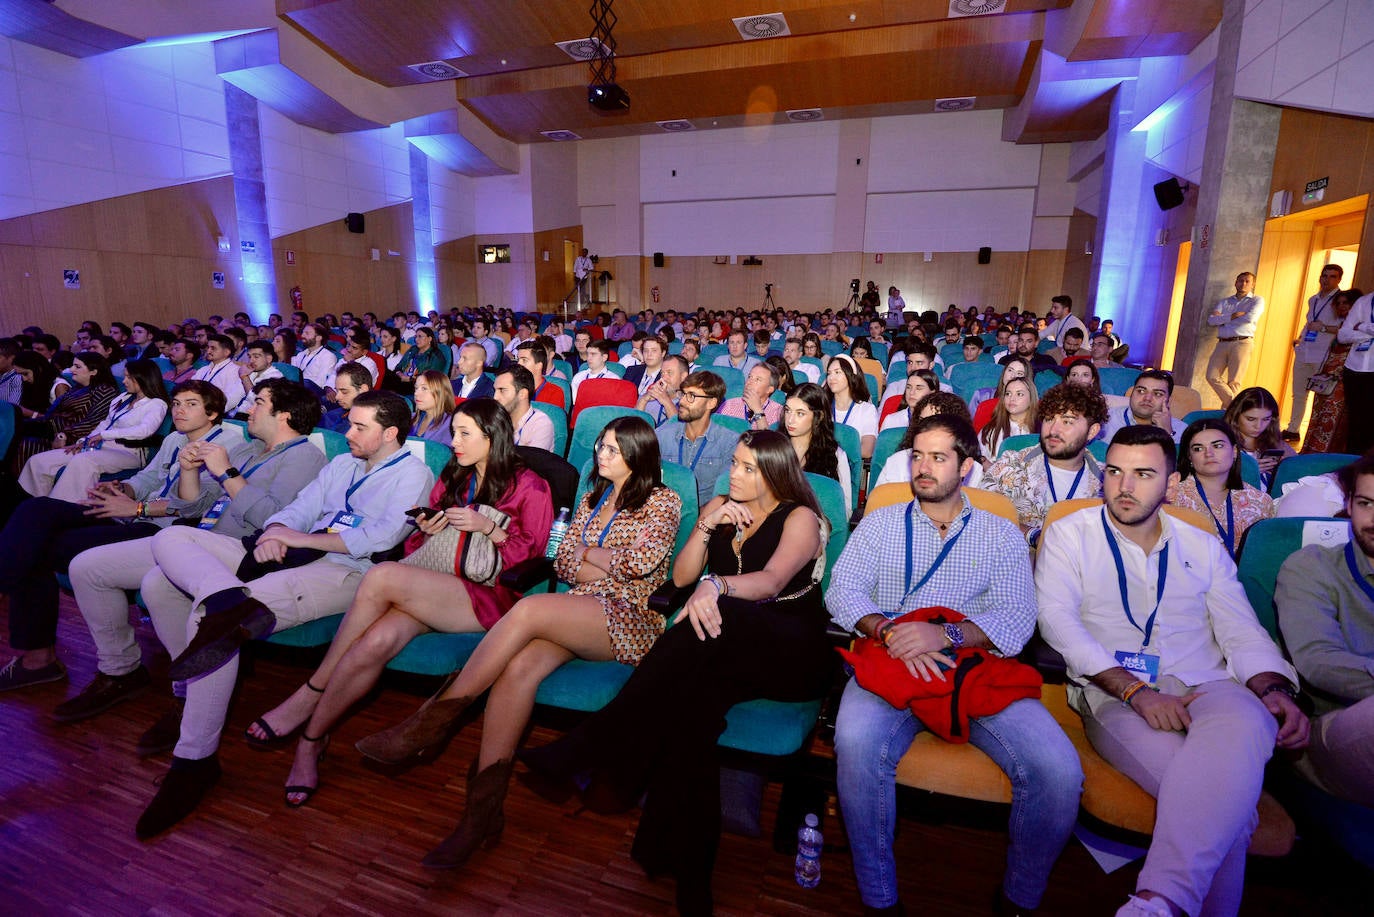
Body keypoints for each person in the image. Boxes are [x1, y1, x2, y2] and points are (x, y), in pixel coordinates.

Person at [520, 430, 829, 914]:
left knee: (717, 613)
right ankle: (691, 875)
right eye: (735, 462)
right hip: (725, 652)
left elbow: (770, 584)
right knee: (691, 721)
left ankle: (593, 741)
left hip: (791, 649)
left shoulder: (800, 516)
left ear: (775, 472)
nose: (736, 473)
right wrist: (707, 528)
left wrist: (716, 586)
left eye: (750, 467)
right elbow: (682, 579)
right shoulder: (721, 508)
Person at [128, 390, 434, 838]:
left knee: (208, 620)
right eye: (349, 423)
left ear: (390, 434)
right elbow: (302, 507)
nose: (346, 433)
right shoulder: (344, 463)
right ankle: (223, 601)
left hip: (345, 571)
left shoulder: (413, 474)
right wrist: (276, 529)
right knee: (167, 550)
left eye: (359, 427)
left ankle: (194, 761)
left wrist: (299, 539)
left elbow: (380, 537)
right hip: (289, 552)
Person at [1036, 424, 1307, 917]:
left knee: (1248, 720)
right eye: (1115, 472)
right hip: (1114, 690)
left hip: (1211, 684)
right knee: (1230, 810)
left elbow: (1241, 631)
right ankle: (1166, 902)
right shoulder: (1069, 535)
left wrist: (1272, 688)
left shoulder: (1201, 545)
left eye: (1143, 474)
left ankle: (1156, 901)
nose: (1124, 487)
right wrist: (1137, 692)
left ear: (1171, 481)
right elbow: (1059, 625)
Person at [828, 413, 1081, 915]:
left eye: (939, 457)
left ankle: (1018, 898)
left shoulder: (1000, 533)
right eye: (917, 456)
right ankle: (879, 898)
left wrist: (942, 634)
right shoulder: (880, 522)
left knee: (1058, 771)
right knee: (854, 743)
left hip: (973, 668)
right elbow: (843, 590)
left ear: (966, 467)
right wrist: (891, 630)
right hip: (891, 660)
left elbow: (1015, 616)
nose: (924, 468)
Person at [249, 400, 552, 805]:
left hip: (487, 598)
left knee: (380, 575)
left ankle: (312, 689)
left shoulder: (532, 485)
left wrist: (489, 529)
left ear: (492, 437)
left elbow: (530, 559)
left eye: (465, 434)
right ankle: (311, 740)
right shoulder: (454, 474)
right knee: (373, 643)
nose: (454, 442)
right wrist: (427, 529)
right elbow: (416, 548)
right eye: (454, 432)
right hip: (433, 586)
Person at [58, 380, 325, 735]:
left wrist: (225, 472)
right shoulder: (250, 451)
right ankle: (120, 669)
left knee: (157, 584)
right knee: (87, 568)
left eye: (259, 402)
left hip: (238, 551)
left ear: (284, 416)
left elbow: (269, 519)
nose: (249, 408)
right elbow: (193, 505)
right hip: (197, 540)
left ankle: (189, 692)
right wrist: (188, 470)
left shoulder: (304, 457)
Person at [0, 382, 254, 694]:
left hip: (163, 530)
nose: (179, 410)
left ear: (213, 413)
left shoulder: (232, 445)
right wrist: (123, 489)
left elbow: (202, 503)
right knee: (36, 509)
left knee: (36, 548)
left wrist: (136, 507)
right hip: (132, 513)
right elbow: (149, 477)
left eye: (190, 404)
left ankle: (38, 659)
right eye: (176, 403)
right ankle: (35, 652)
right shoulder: (175, 438)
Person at [1275, 454, 1374, 807]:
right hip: (1329, 728)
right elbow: (1318, 661)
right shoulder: (1312, 566)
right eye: (1366, 504)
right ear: (1349, 505)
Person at [18, 359, 169, 503]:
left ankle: (62, 508)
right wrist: (83, 441)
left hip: (129, 453)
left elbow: (144, 430)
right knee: (39, 461)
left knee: (84, 461)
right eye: (125, 376)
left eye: (129, 377)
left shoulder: (156, 404)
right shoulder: (123, 398)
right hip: (100, 447)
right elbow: (105, 423)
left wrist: (103, 435)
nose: (124, 381)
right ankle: (36, 504)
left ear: (143, 377)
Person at [981, 383, 1107, 543]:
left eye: (1067, 421)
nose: (1053, 430)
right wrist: (1031, 534)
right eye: (1049, 419)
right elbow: (980, 514)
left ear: (1092, 431)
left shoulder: (1106, 483)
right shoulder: (1012, 464)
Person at [1170, 418, 1275, 558]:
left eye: (1217, 446)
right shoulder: (1171, 496)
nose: (1209, 453)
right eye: (1198, 448)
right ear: (1189, 457)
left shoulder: (1261, 501)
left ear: (1235, 451)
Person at [14, 352, 120, 469]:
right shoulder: (79, 387)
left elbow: (93, 422)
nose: (71, 369)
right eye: (73, 365)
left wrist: (64, 435)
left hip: (71, 436)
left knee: (20, 441)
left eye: (77, 367)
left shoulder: (104, 390)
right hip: (51, 428)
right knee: (10, 428)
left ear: (93, 371)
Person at [655, 370, 736, 507]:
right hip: (663, 511)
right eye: (683, 394)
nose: (682, 401)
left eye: (691, 396)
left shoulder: (729, 442)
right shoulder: (662, 435)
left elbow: (724, 496)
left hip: (704, 516)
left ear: (711, 403)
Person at [1286, 264, 1345, 440]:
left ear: (1339, 279)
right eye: (1324, 276)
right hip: (1305, 351)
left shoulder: (1340, 301)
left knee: (1321, 397)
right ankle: (1293, 429)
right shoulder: (1313, 299)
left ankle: (1315, 434)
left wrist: (1324, 328)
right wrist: (1300, 339)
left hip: (1323, 355)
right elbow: (1309, 323)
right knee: (1298, 393)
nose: (1327, 280)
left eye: (1332, 277)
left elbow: (1345, 328)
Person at [779, 382, 851, 518]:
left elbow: (844, 510)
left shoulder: (835, 455)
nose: (790, 420)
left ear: (819, 417)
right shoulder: (775, 448)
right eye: (788, 411)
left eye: (800, 414)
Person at [1301, 288, 1360, 454]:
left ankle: (1323, 456)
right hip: (1327, 378)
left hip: (1343, 380)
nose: (1341, 307)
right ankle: (1310, 453)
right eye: (1338, 303)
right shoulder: (1344, 325)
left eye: (1346, 303)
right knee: (1318, 415)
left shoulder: (1360, 327)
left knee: (1332, 419)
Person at [1206, 272, 1265, 408]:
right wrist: (1233, 316)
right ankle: (1236, 406)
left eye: (1247, 281)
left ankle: (1227, 414)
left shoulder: (1256, 300)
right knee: (1211, 376)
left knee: (1234, 382)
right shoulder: (1225, 302)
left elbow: (1250, 318)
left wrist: (1223, 318)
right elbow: (1211, 320)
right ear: (1235, 282)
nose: (1243, 284)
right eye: (1240, 281)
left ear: (1253, 284)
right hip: (1222, 342)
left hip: (1242, 342)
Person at [1224, 386, 1294, 489]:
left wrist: (1283, 468)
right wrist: (1247, 472)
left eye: (1266, 419)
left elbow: (1299, 467)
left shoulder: (1274, 441)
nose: (1258, 426)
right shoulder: (1221, 443)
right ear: (1235, 415)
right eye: (1251, 419)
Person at [1099, 369, 1188, 444]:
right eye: (1141, 391)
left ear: (1169, 401)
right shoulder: (1105, 419)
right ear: (1132, 393)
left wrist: (1167, 433)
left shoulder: (1182, 431)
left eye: (1157, 394)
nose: (1147, 398)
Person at [1337, 287, 1374, 456]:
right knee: (1355, 421)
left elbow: (1354, 329)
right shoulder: (1363, 301)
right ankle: (1352, 465)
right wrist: (1366, 335)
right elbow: (1342, 335)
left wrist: (1362, 326)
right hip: (1354, 368)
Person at [826, 353, 877, 459]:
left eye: (837, 372)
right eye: (829, 373)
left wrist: (833, 453)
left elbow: (866, 451)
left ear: (851, 376)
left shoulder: (867, 410)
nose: (831, 377)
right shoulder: (822, 406)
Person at [493, 365, 554, 452]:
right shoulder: (494, 418)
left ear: (523, 394)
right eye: (495, 390)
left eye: (502, 390)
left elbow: (533, 462)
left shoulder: (541, 424)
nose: (495, 397)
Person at [978, 375, 1037, 460]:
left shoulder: (1042, 429)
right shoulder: (990, 430)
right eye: (1008, 394)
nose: (1012, 398)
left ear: (1031, 398)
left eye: (1019, 394)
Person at [719, 362, 782, 431]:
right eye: (749, 377)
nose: (749, 382)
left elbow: (768, 440)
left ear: (769, 389)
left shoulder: (778, 412)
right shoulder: (729, 405)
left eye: (758, 379)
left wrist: (758, 411)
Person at [230, 340, 283, 417]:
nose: (251, 360)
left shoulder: (275, 377)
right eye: (249, 356)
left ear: (269, 359)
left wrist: (244, 377)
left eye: (256, 357)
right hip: (235, 414)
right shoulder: (252, 373)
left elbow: (257, 400)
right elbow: (234, 395)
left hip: (253, 418)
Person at [318, 362, 372, 434]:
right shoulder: (329, 417)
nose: (337, 397)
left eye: (344, 392)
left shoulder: (377, 424)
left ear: (363, 389)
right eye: (337, 391)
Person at [636, 353, 688, 427]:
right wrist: (643, 400)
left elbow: (680, 429)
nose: (664, 378)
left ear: (683, 376)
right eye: (662, 373)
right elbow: (633, 426)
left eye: (669, 373)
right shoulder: (651, 397)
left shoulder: (690, 401)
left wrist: (666, 401)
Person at [879, 368, 939, 432]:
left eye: (919, 388)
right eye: (908, 387)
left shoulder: (940, 421)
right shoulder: (891, 420)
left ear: (932, 392)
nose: (911, 392)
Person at [410, 370, 456, 447]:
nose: (416, 393)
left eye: (424, 388)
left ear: (441, 392)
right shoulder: (410, 418)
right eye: (416, 388)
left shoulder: (451, 425)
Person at [290, 322, 339, 394]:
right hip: (297, 391)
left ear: (318, 338)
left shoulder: (327, 356)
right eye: (303, 332)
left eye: (307, 333)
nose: (302, 335)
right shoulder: (300, 355)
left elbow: (321, 384)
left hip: (313, 394)